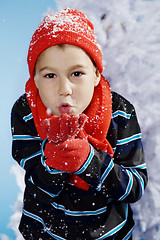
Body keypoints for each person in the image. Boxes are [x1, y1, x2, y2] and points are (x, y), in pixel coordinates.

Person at [11, 8, 148, 240]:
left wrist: (89, 161)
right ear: (35, 79)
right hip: (45, 233)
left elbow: (135, 187)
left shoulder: (120, 113)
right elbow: (37, 191)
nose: (64, 89)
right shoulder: (26, 112)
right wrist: (54, 162)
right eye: (50, 76)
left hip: (109, 235)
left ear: (96, 73)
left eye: (76, 73)